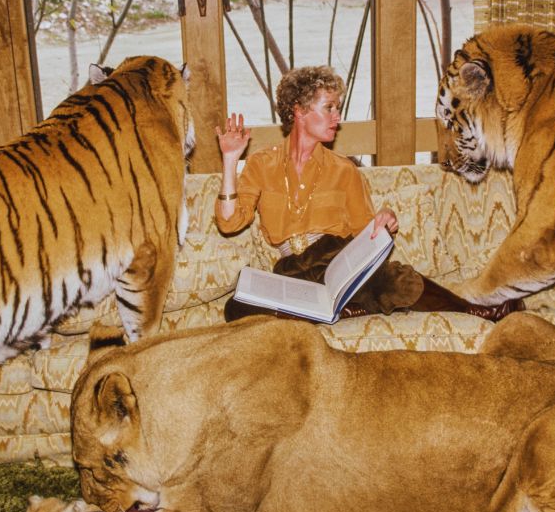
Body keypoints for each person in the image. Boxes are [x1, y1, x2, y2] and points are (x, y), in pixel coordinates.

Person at [215, 66, 518, 322]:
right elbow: (229, 223)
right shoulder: (260, 164)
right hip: (292, 271)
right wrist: (230, 160)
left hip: (335, 260)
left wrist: (384, 220)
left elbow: (365, 235)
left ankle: (477, 312)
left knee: (396, 280)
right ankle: (343, 311)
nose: (337, 117)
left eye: (338, 108)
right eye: (329, 107)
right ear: (300, 111)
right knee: (238, 308)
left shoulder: (344, 170)